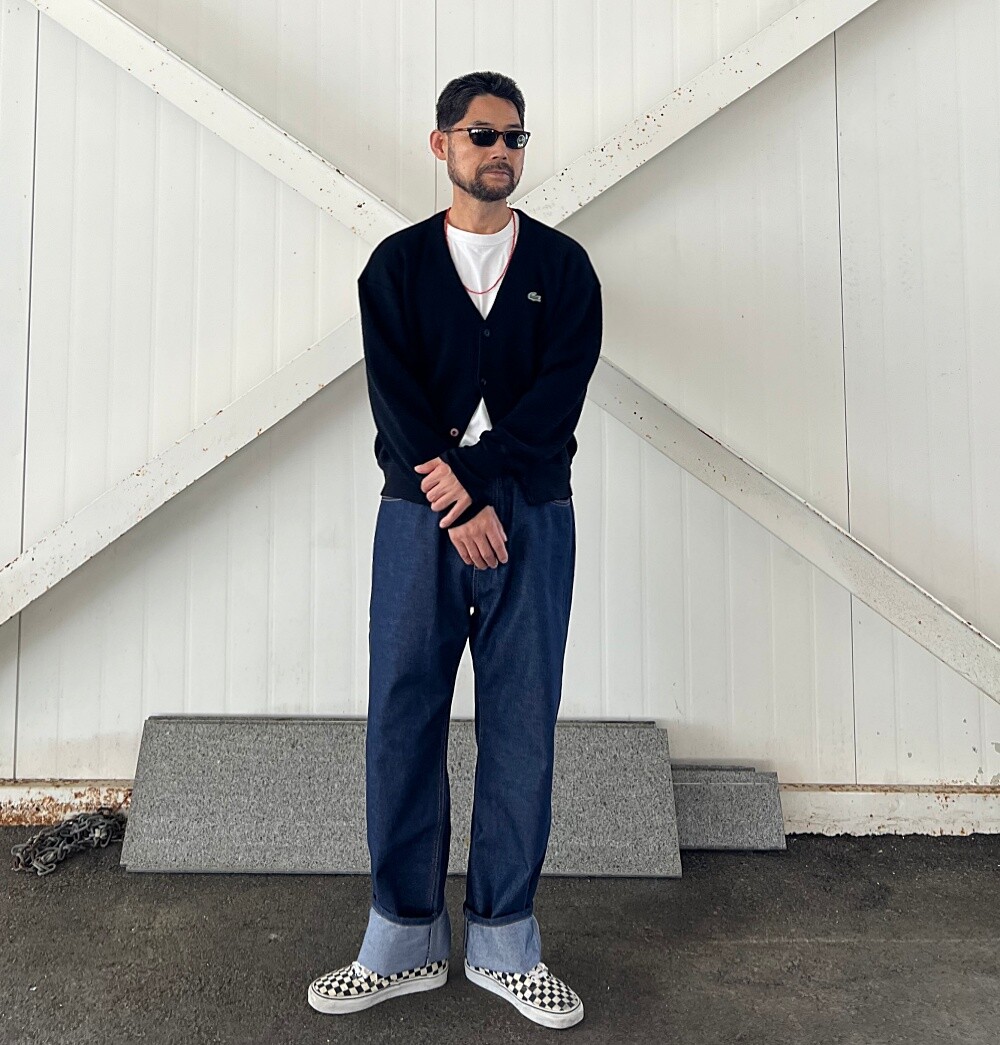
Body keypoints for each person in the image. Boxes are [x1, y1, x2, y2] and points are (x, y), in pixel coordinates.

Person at [307, 70, 602, 1030]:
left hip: (531, 513)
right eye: (482, 134)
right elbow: (394, 400)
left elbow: (557, 400)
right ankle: (401, 940)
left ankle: (507, 941)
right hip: (420, 514)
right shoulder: (395, 267)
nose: (501, 151)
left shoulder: (564, 268)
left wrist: (477, 484)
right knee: (403, 714)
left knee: (522, 719)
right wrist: (453, 496)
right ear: (442, 145)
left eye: (515, 137)